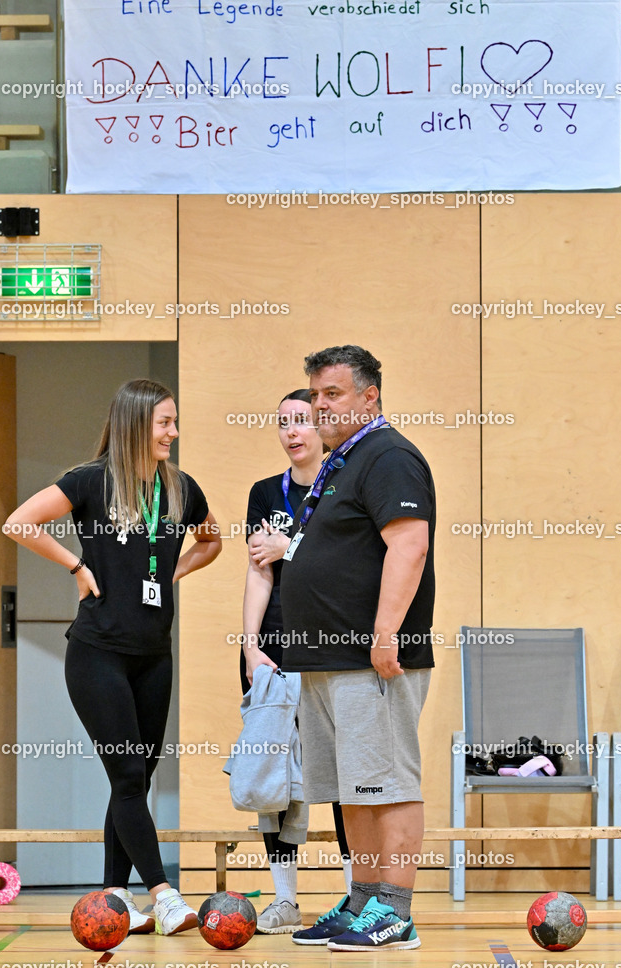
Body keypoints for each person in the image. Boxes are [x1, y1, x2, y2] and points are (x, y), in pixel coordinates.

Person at [3, 379, 221, 937]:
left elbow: (212, 540)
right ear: (134, 424)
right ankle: (165, 895)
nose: (174, 432)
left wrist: (170, 570)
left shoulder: (181, 489)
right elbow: (19, 523)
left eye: (175, 421)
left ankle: (115, 895)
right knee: (127, 773)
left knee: (135, 779)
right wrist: (77, 568)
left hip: (154, 655)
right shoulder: (90, 481)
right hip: (98, 654)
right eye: (164, 423)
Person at [279, 346, 436, 951]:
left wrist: (385, 633)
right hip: (325, 660)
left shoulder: (388, 456)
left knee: (388, 783)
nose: (320, 405)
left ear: (369, 396)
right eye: (315, 395)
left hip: (370, 657)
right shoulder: (342, 461)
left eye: (333, 394)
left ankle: (394, 911)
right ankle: (364, 899)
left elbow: (409, 547)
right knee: (355, 789)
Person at [241, 389, 352, 934]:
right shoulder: (266, 494)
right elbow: (259, 569)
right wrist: (249, 643)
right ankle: (284, 899)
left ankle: (360, 897)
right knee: (274, 775)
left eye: (302, 421)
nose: (292, 432)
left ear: (321, 425)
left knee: (340, 774)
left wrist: (294, 551)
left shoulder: (343, 487)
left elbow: (350, 565)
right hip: (276, 650)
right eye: (282, 422)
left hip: (334, 646)